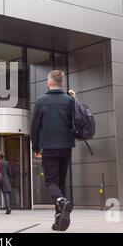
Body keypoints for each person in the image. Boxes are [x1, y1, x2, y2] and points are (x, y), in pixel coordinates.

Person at [31, 70, 76, 231]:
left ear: (49, 83)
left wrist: (35, 147)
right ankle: (59, 218)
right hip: (66, 147)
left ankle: (62, 203)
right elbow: (76, 120)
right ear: (61, 83)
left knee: (51, 182)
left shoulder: (41, 101)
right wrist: (74, 98)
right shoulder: (69, 100)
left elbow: (34, 127)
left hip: (49, 147)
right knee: (61, 182)